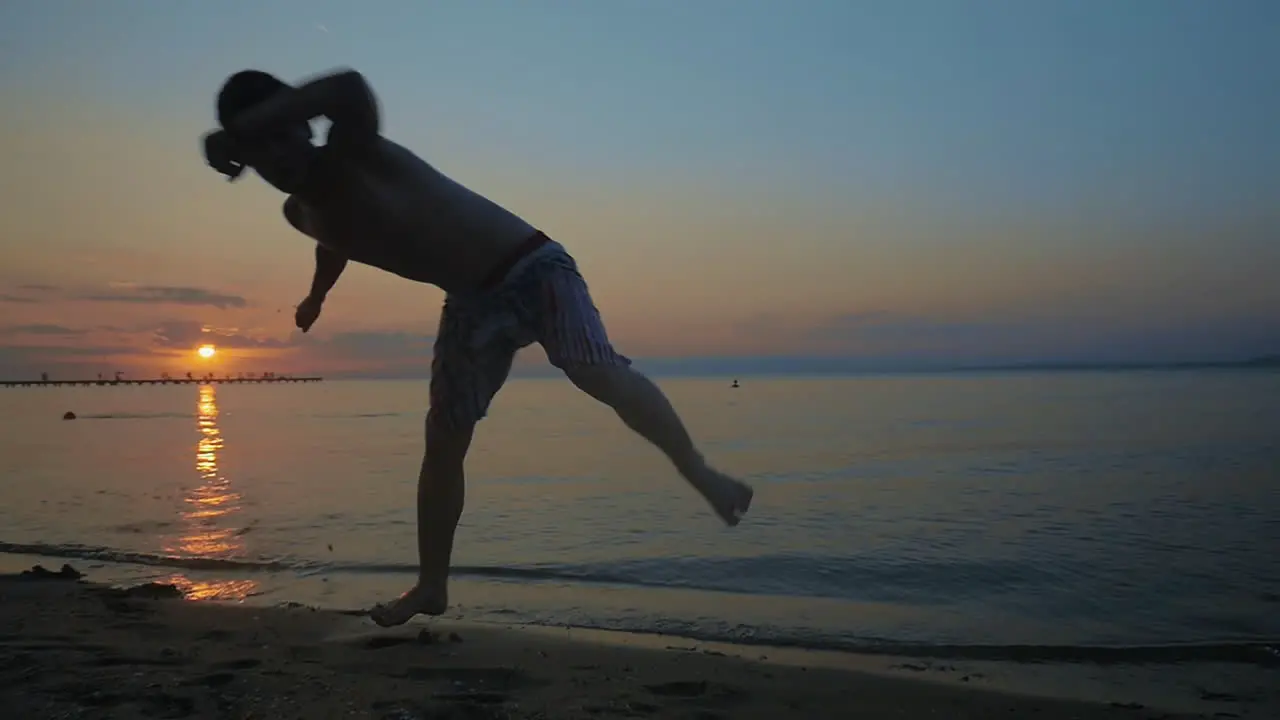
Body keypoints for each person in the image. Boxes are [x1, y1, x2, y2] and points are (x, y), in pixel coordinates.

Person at [202, 68, 754, 627]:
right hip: (470, 301)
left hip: (531, 265)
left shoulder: (355, 150)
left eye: (282, 135)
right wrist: (315, 298)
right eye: (260, 151)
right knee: (443, 442)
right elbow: (333, 240)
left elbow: (347, 87)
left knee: (595, 371)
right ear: (246, 162)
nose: (278, 157)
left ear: (302, 125)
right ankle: (431, 586)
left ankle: (702, 473)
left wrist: (246, 128)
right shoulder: (298, 214)